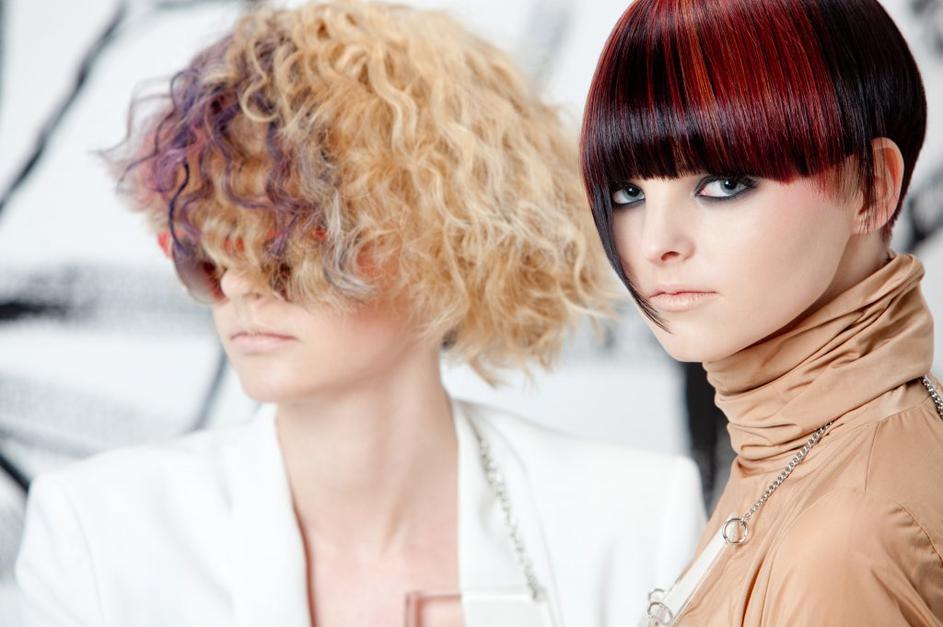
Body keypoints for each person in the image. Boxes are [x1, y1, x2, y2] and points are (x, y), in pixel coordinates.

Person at [15, 2, 705, 626]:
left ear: (447, 238)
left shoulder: (631, 523)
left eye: (291, 243)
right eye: (211, 250)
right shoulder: (100, 537)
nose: (242, 284)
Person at [581, 0, 943, 625]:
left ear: (871, 186)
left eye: (723, 183)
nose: (655, 242)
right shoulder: (793, 451)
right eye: (628, 192)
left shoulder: (841, 540)